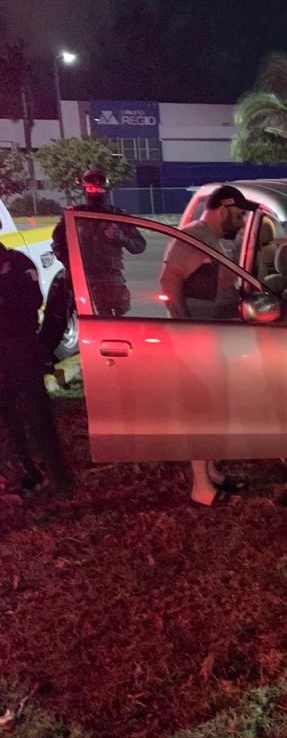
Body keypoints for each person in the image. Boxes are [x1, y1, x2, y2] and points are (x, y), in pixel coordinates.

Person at [159, 184, 257, 506]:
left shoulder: (211, 238)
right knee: (200, 413)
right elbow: (169, 280)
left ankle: (211, 472)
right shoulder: (193, 236)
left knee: (212, 410)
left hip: (212, 337)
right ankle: (201, 487)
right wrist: (186, 328)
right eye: (240, 215)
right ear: (223, 208)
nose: (242, 222)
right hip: (198, 340)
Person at [39, 169, 146, 361]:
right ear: (84, 188)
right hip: (78, 277)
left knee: (112, 328)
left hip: (108, 278)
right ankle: (42, 360)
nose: (95, 190)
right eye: (90, 186)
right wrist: (71, 264)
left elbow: (139, 246)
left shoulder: (117, 216)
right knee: (58, 320)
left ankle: (114, 364)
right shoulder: (74, 215)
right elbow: (57, 243)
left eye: (99, 186)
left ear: (106, 187)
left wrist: (120, 236)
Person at [0, 243, 73, 499]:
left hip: (21, 347)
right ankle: (29, 473)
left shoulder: (19, 262)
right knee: (8, 417)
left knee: (38, 415)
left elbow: (33, 300)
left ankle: (59, 477)